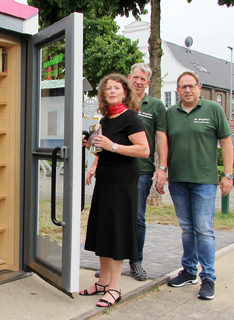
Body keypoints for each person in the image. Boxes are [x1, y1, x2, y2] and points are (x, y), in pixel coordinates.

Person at [80, 73, 149, 307]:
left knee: (117, 232)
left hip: (123, 183)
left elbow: (143, 150)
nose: (111, 91)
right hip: (105, 181)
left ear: (125, 92)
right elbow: (102, 148)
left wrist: (114, 146)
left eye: (116, 88)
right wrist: (90, 143)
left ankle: (115, 288)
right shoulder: (105, 119)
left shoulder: (130, 117)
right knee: (103, 229)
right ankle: (103, 282)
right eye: (107, 88)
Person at [166, 71, 233, 300]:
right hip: (178, 181)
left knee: (204, 229)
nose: (187, 90)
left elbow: (226, 142)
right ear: (178, 90)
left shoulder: (213, 109)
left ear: (199, 87)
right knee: (187, 228)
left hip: (204, 181)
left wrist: (228, 175)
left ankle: (209, 278)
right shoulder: (170, 113)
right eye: (183, 87)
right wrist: (163, 170)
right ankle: (189, 271)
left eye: (191, 86)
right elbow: (163, 142)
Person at [127, 63, 168, 281]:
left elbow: (161, 137)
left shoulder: (156, 106)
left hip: (142, 171)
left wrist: (162, 167)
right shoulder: (120, 100)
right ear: (129, 78)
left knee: (137, 218)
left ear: (148, 82)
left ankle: (136, 262)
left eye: (143, 78)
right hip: (116, 169)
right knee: (115, 215)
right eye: (135, 77)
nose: (139, 81)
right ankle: (112, 261)